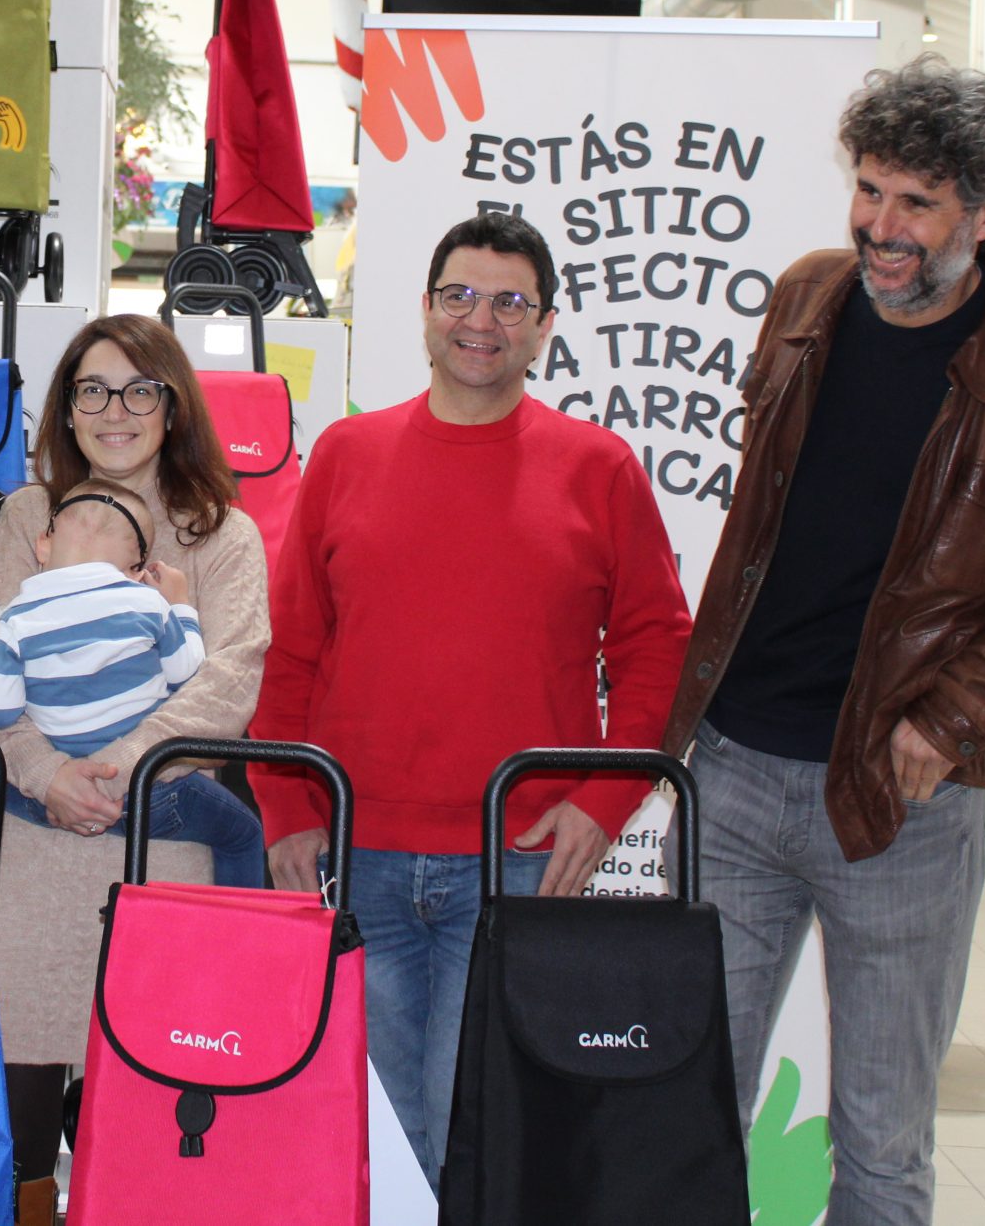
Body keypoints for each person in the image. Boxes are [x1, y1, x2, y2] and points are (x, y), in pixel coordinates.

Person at [669, 56, 985, 1226]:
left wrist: (956, 717)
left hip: (902, 801)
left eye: (916, 205)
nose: (880, 229)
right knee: (690, 1116)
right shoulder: (803, 297)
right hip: (733, 769)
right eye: (871, 192)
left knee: (881, 1146)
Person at [251, 210, 693, 1188]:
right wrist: (284, 808)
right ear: (424, 310)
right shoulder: (344, 455)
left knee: (478, 1131)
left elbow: (658, 644)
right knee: (373, 1136)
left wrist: (605, 801)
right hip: (355, 854)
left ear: (544, 326)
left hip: (518, 861)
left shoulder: (598, 467)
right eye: (459, 295)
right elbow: (291, 656)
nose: (479, 319)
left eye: (509, 301)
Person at [0, 314, 268, 1226]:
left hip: (163, 829)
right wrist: (44, 771)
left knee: (149, 1056)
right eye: (92, 390)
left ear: (173, 406)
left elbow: (234, 671)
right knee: (15, 1044)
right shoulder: (29, 515)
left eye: (140, 389)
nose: (115, 411)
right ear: (65, 408)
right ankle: (25, 1198)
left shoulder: (222, 530)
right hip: (34, 819)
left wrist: (121, 766)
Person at [0, 476, 265, 891]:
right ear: (136, 570)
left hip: (43, 796)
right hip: (148, 796)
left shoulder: (14, 620)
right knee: (243, 835)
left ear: (43, 546)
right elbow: (188, 672)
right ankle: (240, 948)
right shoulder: (150, 604)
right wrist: (179, 605)